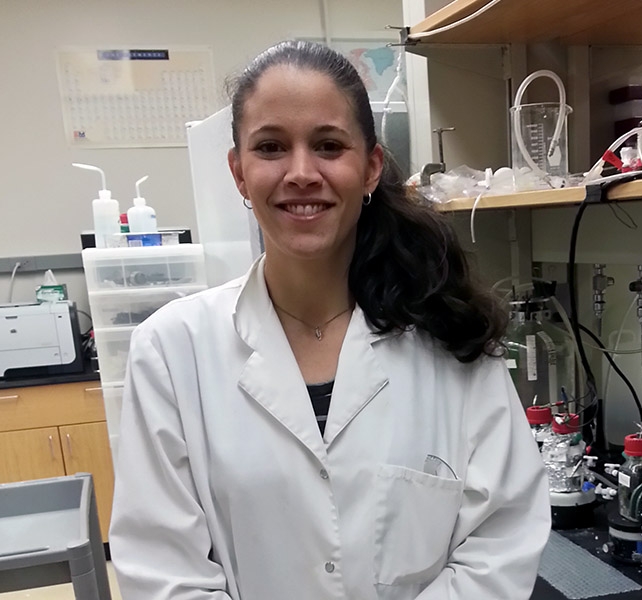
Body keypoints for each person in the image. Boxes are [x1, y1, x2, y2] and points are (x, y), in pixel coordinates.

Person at [109, 40, 550, 600]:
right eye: (270, 147)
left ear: (370, 167)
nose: (300, 172)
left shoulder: (449, 337)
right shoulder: (172, 351)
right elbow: (162, 570)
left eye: (327, 145)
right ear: (239, 173)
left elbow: (501, 543)